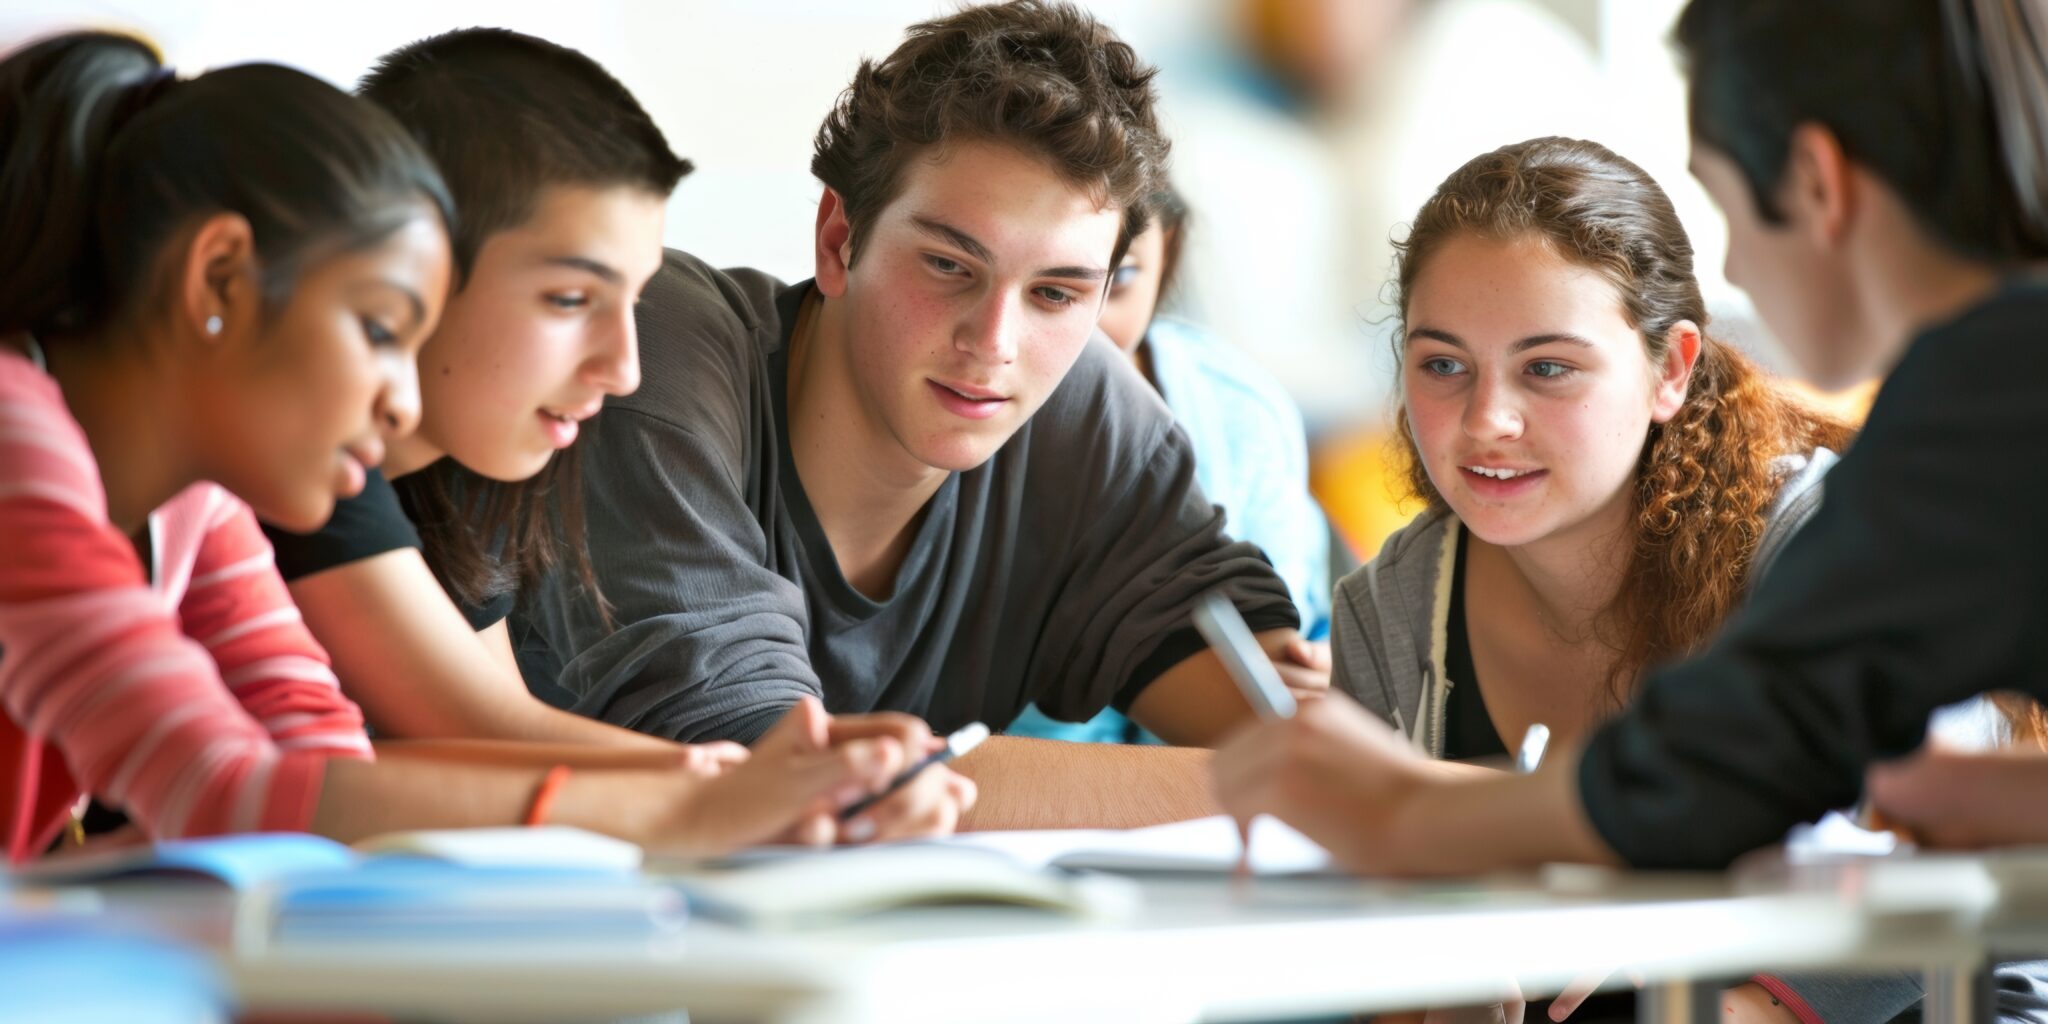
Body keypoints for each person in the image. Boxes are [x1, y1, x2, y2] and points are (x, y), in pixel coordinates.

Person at [0, 30, 966, 863]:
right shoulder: (16, 433)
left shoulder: (197, 508)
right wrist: (701, 801)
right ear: (217, 282)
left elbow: (314, 767)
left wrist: (733, 789)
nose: (398, 391)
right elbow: (223, 788)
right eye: (383, 327)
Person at [510, 0, 1329, 830]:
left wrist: (1323, 764)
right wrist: (1287, 786)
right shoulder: (650, 349)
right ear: (838, 239)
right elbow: (784, 775)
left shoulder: (1087, 412)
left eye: (1056, 293)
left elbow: (1289, 725)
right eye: (948, 265)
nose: (995, 343)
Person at [259, 28, 735, 772]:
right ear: (408, 262)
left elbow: (497, 734)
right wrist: (742, 783)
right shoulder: (296, 450)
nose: (624, 370)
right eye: (572, 298)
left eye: (632, 305)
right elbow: (480, 728)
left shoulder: (461, 479)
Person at [1008, 183, 1334, 746]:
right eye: (1052, 288)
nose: (1081, 325)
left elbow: (1303, 630)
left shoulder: (1242, 412)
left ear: (1170, 249)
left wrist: (1323, 667)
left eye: (1121, 281)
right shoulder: (963, 417)